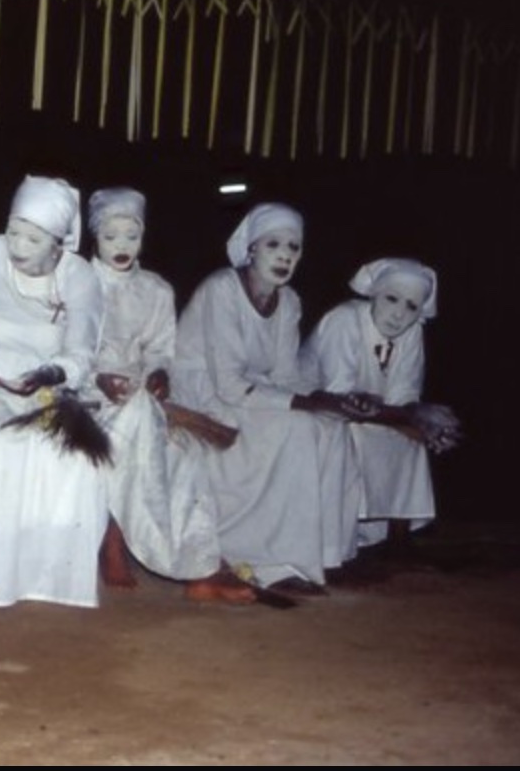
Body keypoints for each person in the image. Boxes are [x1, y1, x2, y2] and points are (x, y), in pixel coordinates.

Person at [0, 174, 108, 609]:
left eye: (33, 238)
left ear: (59, 244)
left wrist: (46, 375)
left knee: (78, 460)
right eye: (13, 232)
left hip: (42, 391)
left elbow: (82, 352)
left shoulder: (79, 277)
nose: (18, 246)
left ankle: (43, 576)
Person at [170, 202, 365, 594]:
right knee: (297, 428)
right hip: (206, 394)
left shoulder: (289, 302)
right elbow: (226, 384)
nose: (284, 256)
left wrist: (326, 400)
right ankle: (272, 560)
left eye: (293, 248)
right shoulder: (221, 289)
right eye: (273, 244)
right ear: (251, 249)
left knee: (331, 429)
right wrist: (304, 405)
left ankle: (323, 555)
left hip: (251, 393)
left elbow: (285, 377)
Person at [86, 187, 254, 603]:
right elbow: (65, 350)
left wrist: (160, 373)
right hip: (87, 398)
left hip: (141, 397)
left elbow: (162, 347)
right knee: (134, 432)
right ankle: (114, 544)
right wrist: (98, 379)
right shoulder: (77, 282)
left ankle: (199, 566)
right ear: (94, 237)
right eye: (111, 237)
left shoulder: (157, 289)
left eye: (132, 236)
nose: (122, 246)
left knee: (184, 451)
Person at [300, 257, 460, 555]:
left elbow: (403, 395)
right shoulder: (343, 319)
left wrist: (426, 423)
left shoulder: (412, 333)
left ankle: (397, 543)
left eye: (412, 306)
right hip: (320, 413)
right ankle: (338, 540)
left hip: (374, 415)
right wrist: (414, 416)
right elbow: (340, 397)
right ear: (374, 294)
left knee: (411, 442)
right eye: (391, 299)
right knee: (353, 437)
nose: (399, 314)